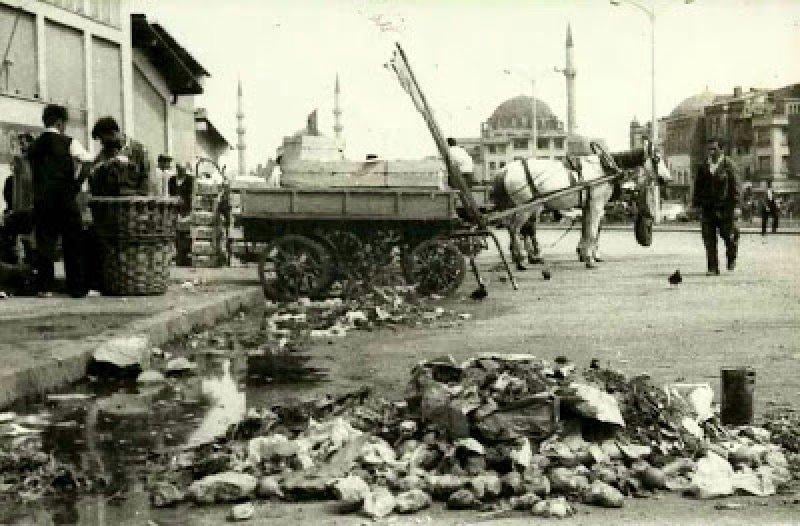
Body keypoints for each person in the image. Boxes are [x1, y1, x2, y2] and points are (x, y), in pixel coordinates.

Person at [27, 105, 94, 297]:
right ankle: (77, 288)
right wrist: (76, 184)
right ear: (60, 122)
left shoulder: (34, 146)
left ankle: (44, 287)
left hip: (42, 199)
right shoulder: (69, 142)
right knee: (73, 241)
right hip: (65, 198)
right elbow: (88, 162)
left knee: (45, 242)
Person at [692, 138, 740, 275]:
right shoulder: (703, 167)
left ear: (721, 149)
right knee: (708, 239)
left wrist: (736, 206)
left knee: (729, 237)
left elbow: (736, 186)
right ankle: (712, 268)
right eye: (709, 149)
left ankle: (731, 257)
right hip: (708, 209)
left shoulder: (729, 165)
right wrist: (696, 205)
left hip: (725, 208)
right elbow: (698, 187)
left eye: (714, 149)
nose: (711, 152)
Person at [168, 164, 194, 266]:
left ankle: (185, 255)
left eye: (183, 169)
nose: (181, 171)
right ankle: (179, 254)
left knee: (186, 232)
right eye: (179, 169)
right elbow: (170, 192)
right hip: (175, 209)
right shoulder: (172, 180)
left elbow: (191, 194)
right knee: (176, 232)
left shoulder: (190, 180)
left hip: (186, 209)